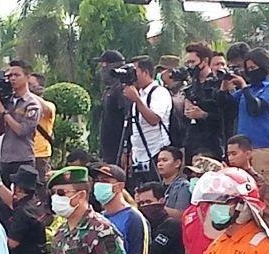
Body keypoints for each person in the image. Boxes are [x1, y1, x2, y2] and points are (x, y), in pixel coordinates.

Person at [222, 49, 269, 244]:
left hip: (264, 148)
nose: (250, 72)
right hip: (244, 150)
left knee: (268, 198)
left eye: (253, 68)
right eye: (247, 68)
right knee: (245, 196)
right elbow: (226, 105)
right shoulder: (245, 90)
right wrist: (226, 84)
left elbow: (256, 107)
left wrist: (244, 87)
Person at [0, 60, 44, 185]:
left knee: (23, 196)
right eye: (10, 76)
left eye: (16, 75)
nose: (12, 79)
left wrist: (4, 111)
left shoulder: (32, 103)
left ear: (27, 77)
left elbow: (22, 131)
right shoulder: (8, 101)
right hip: (6, 159)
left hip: (23, 158)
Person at [121, 55, 173, 189]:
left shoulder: (159, 93)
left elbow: (154, 119)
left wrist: (137, 100)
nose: (132, 76)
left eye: (134, 71)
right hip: (139, 156)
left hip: (156, 152)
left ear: (145, 72)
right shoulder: (139, 94)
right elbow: (134, 127)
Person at [181, 43, 226, 159]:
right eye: (188, 63)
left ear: (205, 61)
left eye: (193, 62)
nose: (190, 66)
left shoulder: (218, 84)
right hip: (193, 143)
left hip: (213, 144)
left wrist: (203, 115)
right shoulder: (190, 88)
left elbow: (225, 116)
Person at [96, 50, 130, 165]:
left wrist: (125, 150)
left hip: (118, 149)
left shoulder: (122, 89)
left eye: (104, 65)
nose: (102, 69)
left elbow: (127, 118)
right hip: (108, 150)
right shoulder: (109, 89)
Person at [29, 72, 56, 182]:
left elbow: (45, 109)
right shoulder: (21, 105)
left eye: (30, 84)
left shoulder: (48, 105)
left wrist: (26, 93)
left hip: (40, 155)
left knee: (41, 187)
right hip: (24, 154)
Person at [155, 145, 192, 223]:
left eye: (164, 160)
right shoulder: (157, 186)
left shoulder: (184, 186)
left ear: (177, 163)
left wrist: (155, 208)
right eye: (159, 161)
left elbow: (181, 214)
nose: (160, 164)